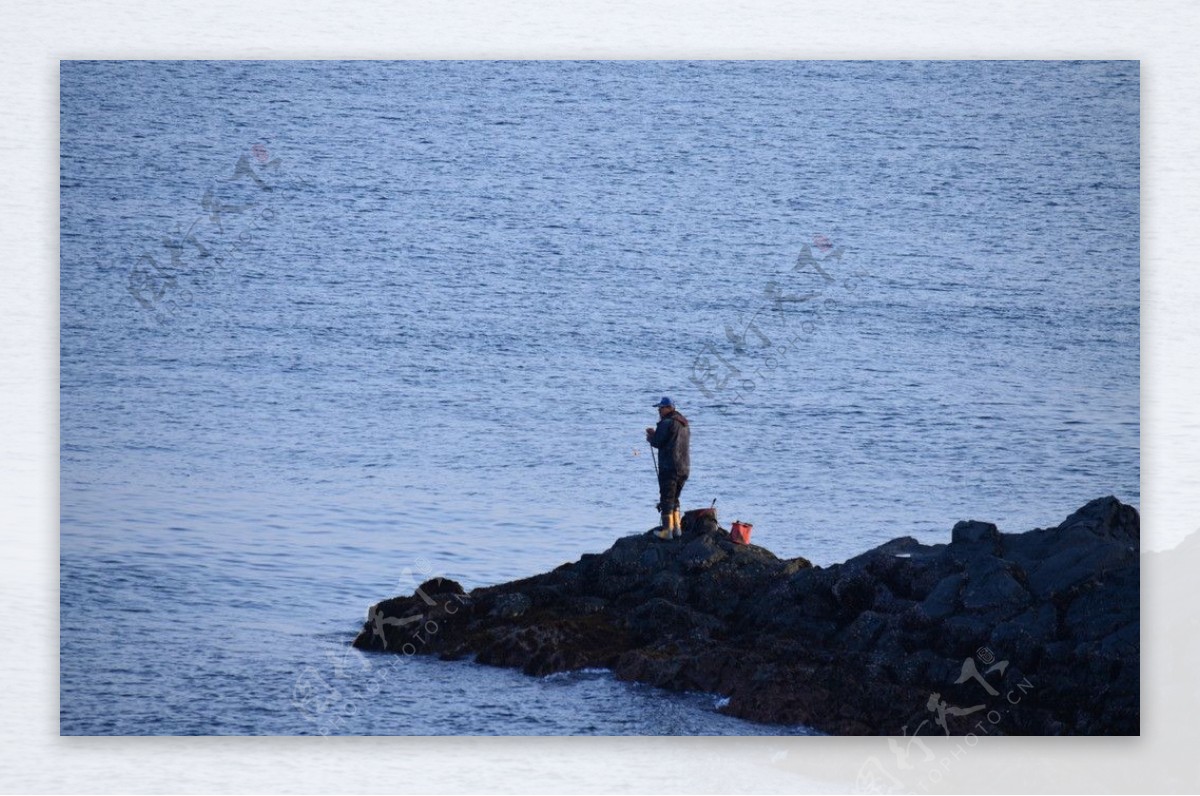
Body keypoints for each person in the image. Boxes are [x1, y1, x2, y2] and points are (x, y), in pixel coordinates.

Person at [646, 396, 690, 540]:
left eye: (661, 407)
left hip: (670, 466)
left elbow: (658, 442)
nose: (659, 410)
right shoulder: (684, 423)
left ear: (669, 408)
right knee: (675, 497)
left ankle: (667, 531)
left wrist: (651, 436)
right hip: (684, 467)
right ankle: (677, 528)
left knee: (666, 498)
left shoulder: (667, 422)